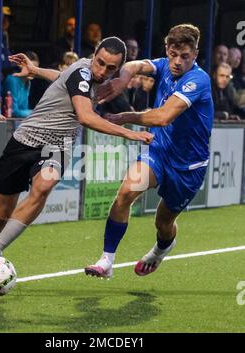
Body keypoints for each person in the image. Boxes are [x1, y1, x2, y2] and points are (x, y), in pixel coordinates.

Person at [0, 36, 154, 264]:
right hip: (25, 140)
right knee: (1, 214)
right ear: (95, 54)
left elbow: (61, 78)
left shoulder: (82, 71)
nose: (102, 71)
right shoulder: (82, 71)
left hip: (57, 146)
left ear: (118, 67)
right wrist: (130, 133)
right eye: (100, 63)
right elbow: (85, 116)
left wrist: (36, 70)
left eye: (111, 68)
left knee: (43, 187)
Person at [85, 24, 214, 279]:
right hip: (159, 152)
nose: (177, 62)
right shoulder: (165, 64)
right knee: (125, 193)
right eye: (173, 54)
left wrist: (124, 116)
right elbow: (134, 66)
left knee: (163, 223)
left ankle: (160, 250)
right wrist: (122, 80)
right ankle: (106, 260)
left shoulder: (198, 80)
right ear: (167, 49)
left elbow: (164, 116)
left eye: (185, 56)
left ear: (195, 54)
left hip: (187, 168)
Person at [2, 51, 39, 118]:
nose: (33, 71)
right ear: (21, 66)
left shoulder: (28, 83)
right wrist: (35, 113)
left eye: (36, 68)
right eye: (31, 68)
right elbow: (13, 111)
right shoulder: (12, 80)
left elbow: (24, 108)